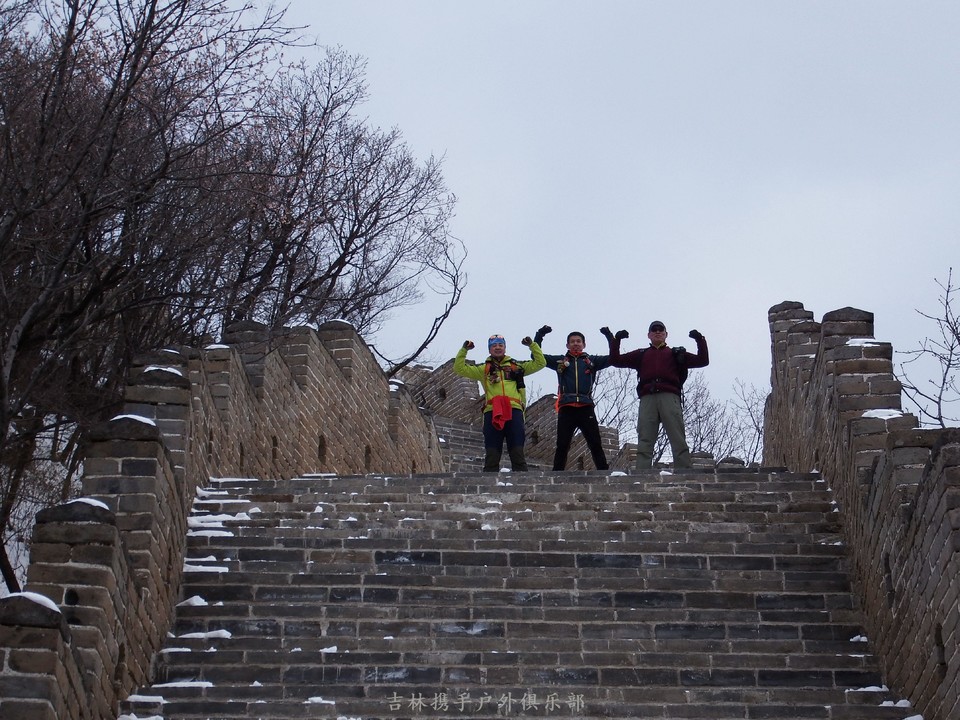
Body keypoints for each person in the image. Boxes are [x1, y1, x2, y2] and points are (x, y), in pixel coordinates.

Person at [603, 321, 709, 470]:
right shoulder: (642, 354)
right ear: (649, 335)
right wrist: (616, 341)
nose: (657, 332)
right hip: (648, 397)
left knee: (677, 436)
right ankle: (642, 473)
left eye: (661, 330)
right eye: (654, 330)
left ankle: (684, 471)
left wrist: (700, 340)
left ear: (666, 334)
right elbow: (615, 360)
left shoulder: (676, 353)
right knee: (645, 437)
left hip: (669, 395)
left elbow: (703, 360)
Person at [453, 333, 545, 472]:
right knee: (492, 451)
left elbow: (540, 363)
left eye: (500, 345)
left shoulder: (516, 366)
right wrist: (464, 350)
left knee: (517, 449)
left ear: (505, 348)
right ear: (489, 349)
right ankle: (488, 484)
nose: (497, 348)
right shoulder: (484, 369)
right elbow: (459, 368)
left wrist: (532, 345)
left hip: (514, 409)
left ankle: (522, 483)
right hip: (493, 410)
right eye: (494, 345)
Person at [535, 325, 610, 471]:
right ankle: (556, 475)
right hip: (566, 407)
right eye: (572, 341)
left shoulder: (591, 361)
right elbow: (536, 357)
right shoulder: (560, 361)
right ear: (567, 345)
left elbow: (613, 358)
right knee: (562, 444)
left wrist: (608, 336)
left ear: (584, 344)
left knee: (595, 443)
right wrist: (540, 335)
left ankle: (604, 473)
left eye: (578, 341)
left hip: (586, 406)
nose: (575, 343)